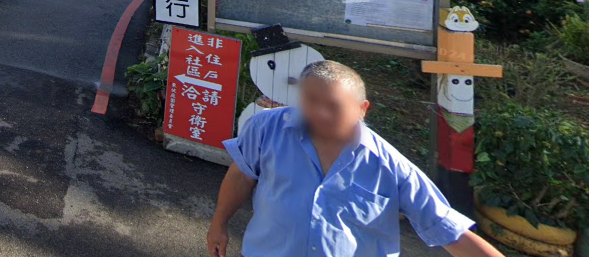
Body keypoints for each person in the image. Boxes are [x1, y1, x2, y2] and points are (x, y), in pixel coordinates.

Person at [208, 60, 504, 257]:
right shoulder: (266, 126)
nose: (319, 114)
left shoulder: (390, 165)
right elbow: (241, 175)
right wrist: (219, 223)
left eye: (333, 106)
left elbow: (451, 233)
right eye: (310, 101)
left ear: (362, 108)